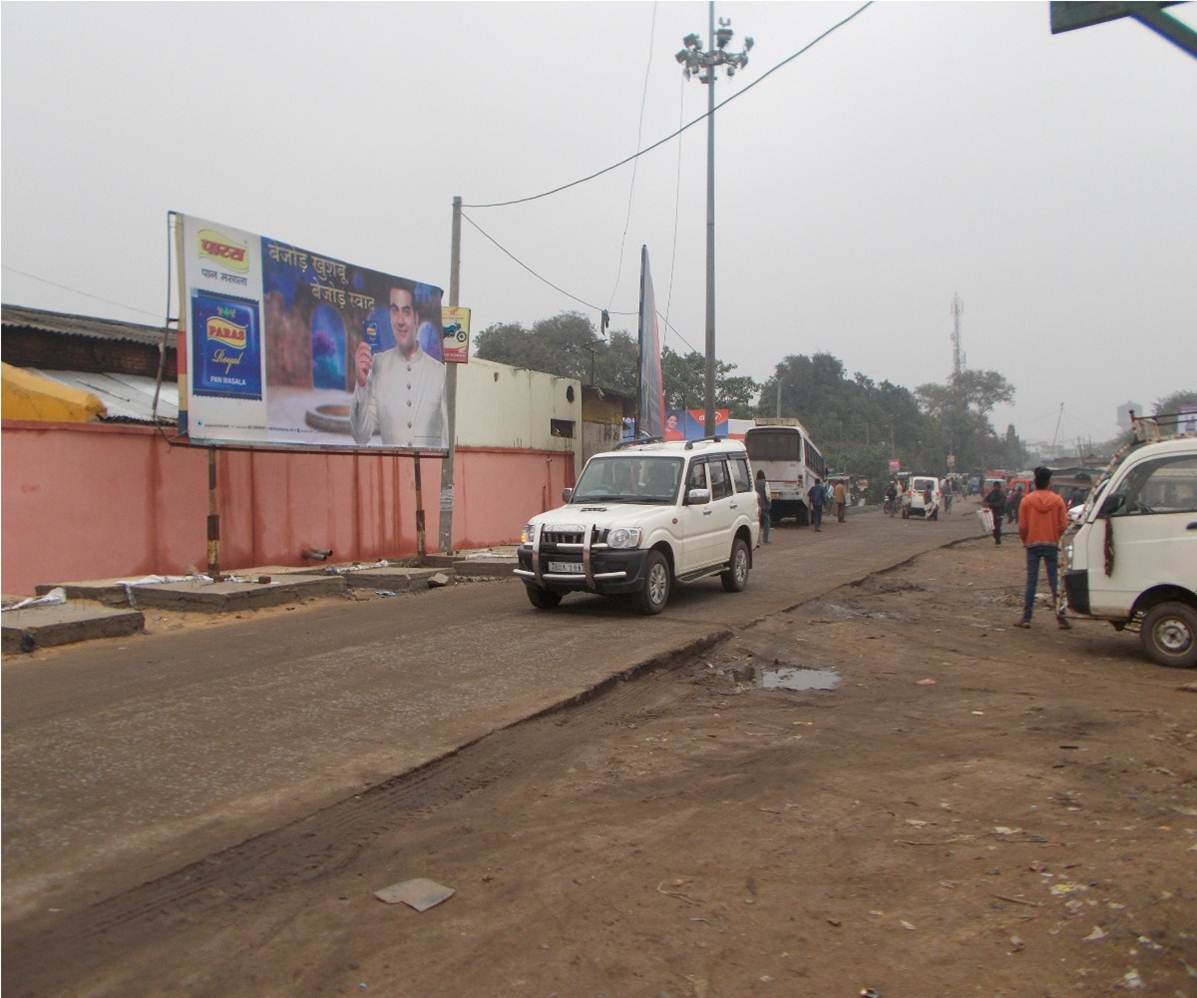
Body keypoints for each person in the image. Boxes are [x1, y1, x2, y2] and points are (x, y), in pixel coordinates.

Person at [351, 283, 448, 449]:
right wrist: (361, 385)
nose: (400, 321)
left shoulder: (439, 372)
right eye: (395, 311)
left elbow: (449, 438)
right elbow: (361, 436)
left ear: (416, 318)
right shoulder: (378, 364)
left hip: (430, 473)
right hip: (391, 472)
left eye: (406, 311)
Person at [1015, 466, 1072, 630]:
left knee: (1031, 581)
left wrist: (1025, 540)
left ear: (1035, 481)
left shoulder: (1027, 500)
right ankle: (1061, 618)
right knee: (1055, 582)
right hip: (1051, 544)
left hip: (1032, 544)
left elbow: (1023, 526)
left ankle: (1026, 618)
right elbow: (1063, 525)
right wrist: (1056, 537)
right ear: (1048, 482)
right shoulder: (1058, 500)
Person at [984, 480, 1005, 545]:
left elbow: (1000, 504)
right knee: (993, 527)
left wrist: (990, 504)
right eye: (994, 486)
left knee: (998, 527)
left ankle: (998, 540)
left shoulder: (1002, 494)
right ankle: (996, 538)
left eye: (996, 486)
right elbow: (986, 499)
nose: (995, 488)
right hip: (992, 513)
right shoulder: (992, 493)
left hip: (999, 513)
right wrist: (985, 503)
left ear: (999, 487)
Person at [755, 469, 771, 545]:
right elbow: (768, 495)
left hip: (757, 505)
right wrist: (769, 502)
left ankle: (757, 540)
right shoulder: (765, 483)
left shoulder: (754, 483)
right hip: (764, 505)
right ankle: (765, 539)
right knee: (766, 522)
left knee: (757, 523)